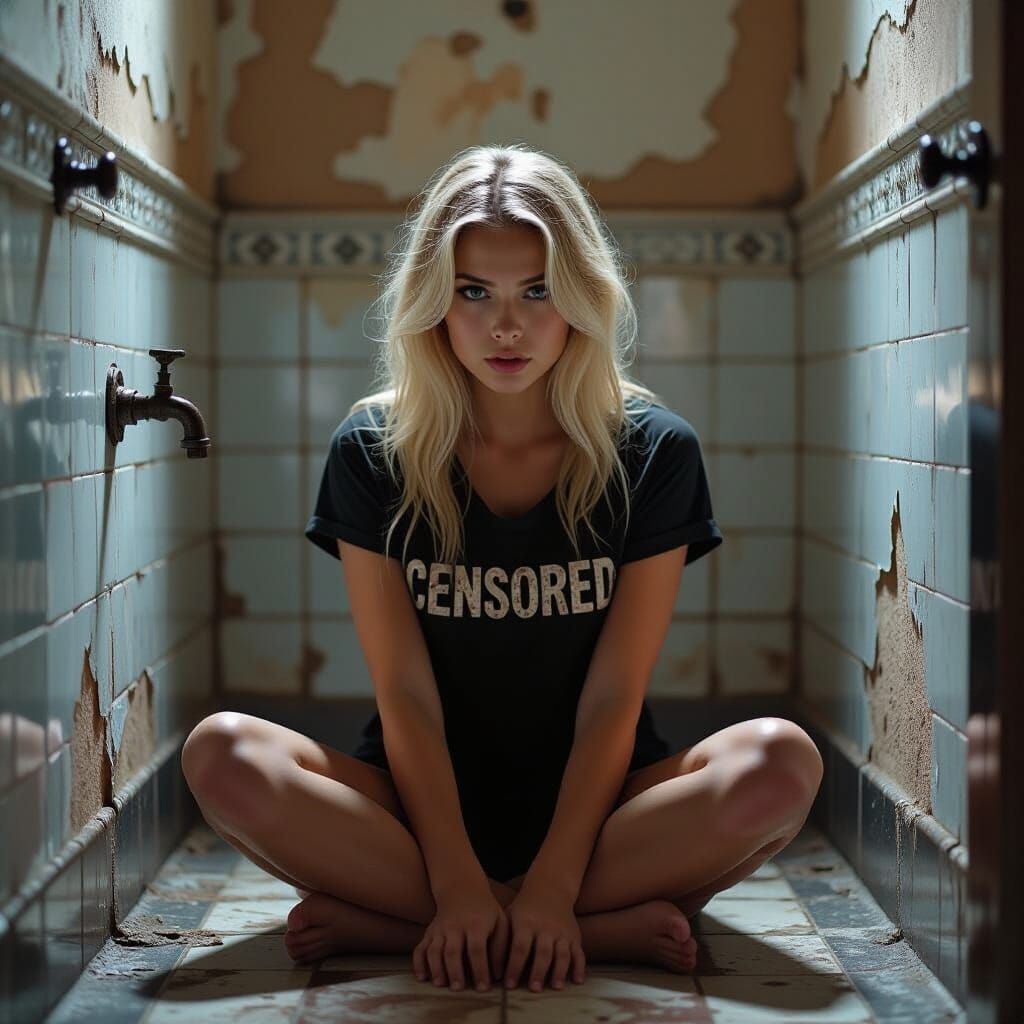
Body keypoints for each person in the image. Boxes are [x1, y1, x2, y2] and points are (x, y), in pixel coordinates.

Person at [181, 143, 823, 995]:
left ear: (582, 300)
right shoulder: (374, 450)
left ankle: (428, 922)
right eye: (474, 293)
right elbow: (403, 691)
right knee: (221, 753)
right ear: (435, 303)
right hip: (414, 819)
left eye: (538, 292)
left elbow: (614, 694)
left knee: (783, 762)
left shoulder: (655, 451)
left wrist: (557, 884)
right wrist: (451, 879)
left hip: (609, 818)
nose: (506, 328)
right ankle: (571, 929)